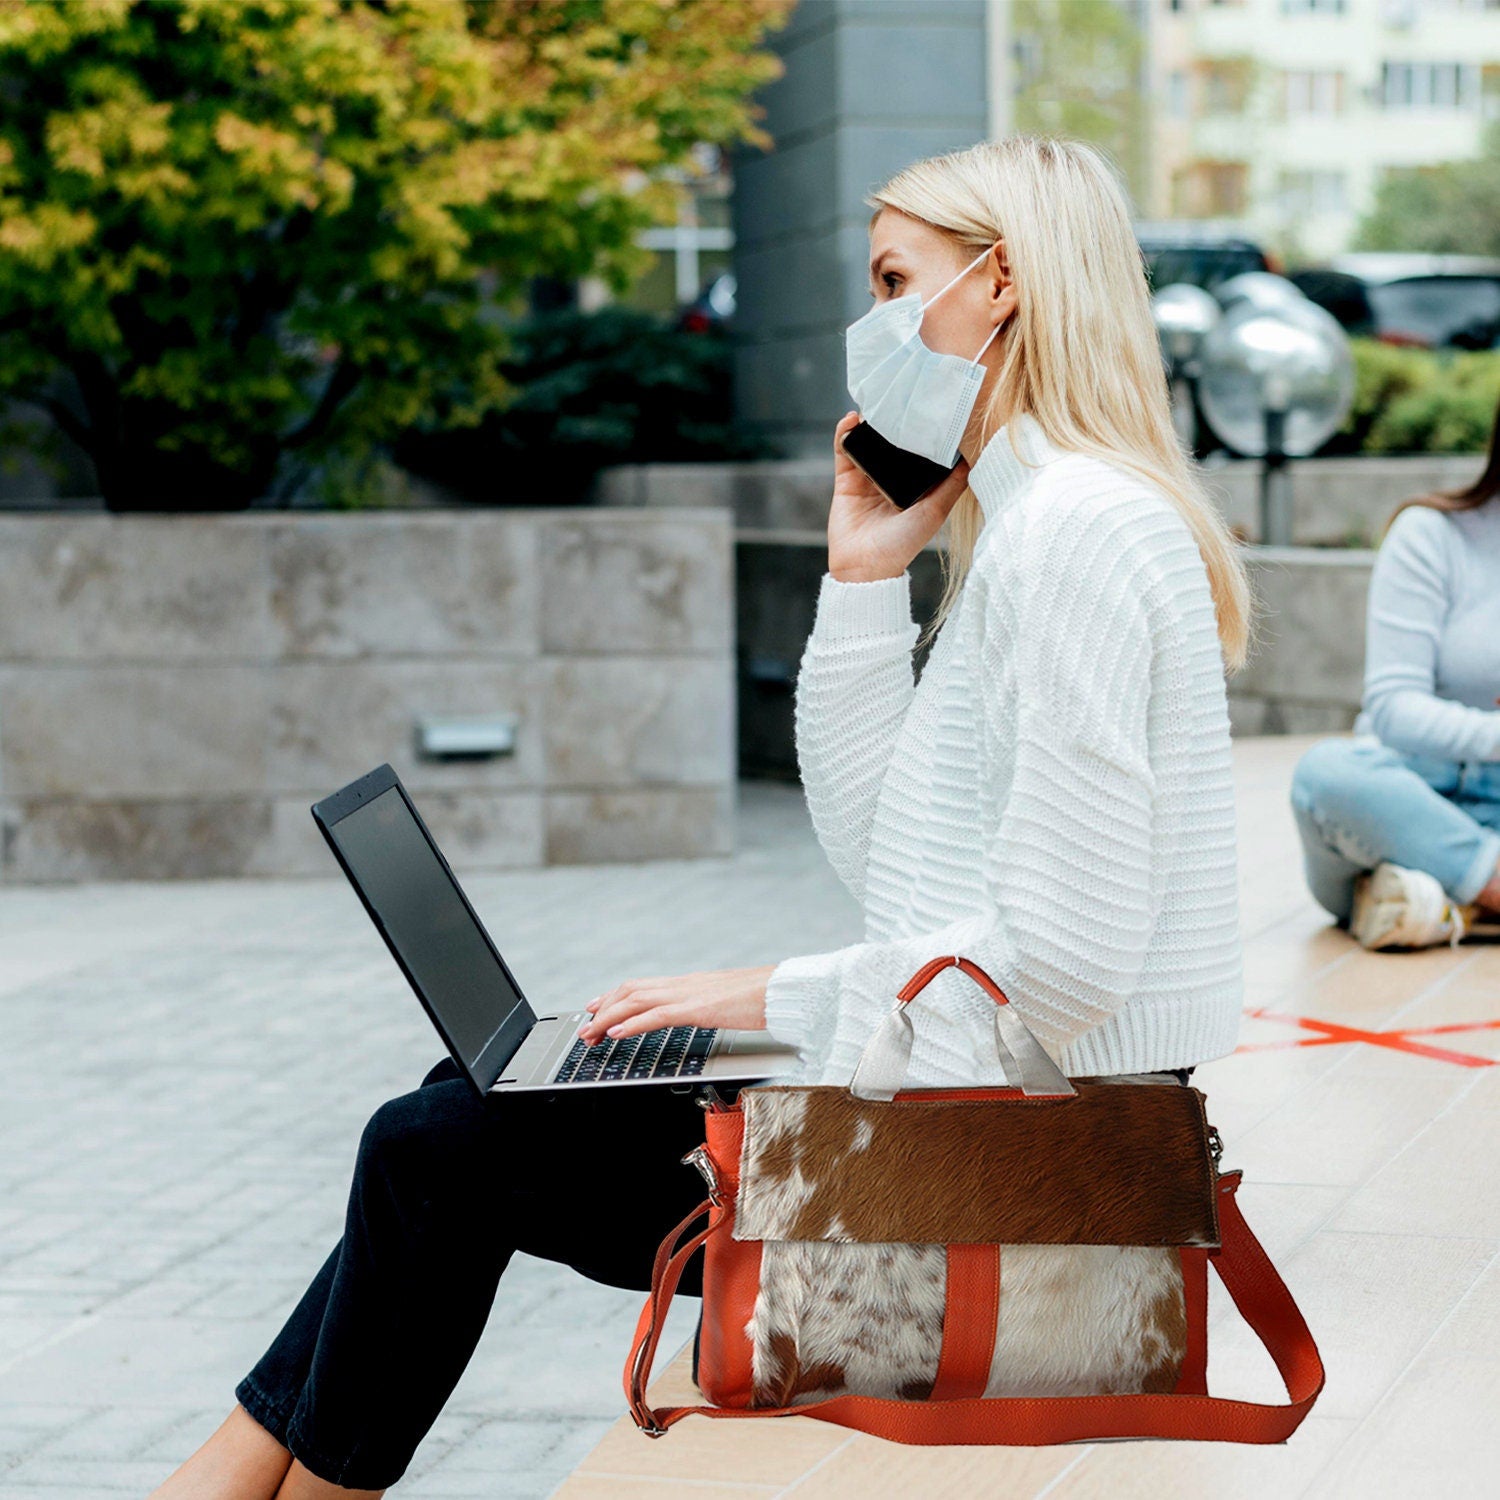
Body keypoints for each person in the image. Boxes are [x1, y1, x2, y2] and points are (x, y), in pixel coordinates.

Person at [149, 134, 1251, 1498]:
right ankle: (224, 1478)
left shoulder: (1077, 530)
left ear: (1002, 283)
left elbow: (1065, 965)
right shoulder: (1039, 522)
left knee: (436, 1149)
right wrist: (863, 576)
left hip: (1039, 1193)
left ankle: (246, 1488)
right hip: (991, 1124)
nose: (872, 324)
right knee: (466, 1100)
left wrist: (761, 995)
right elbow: (890, 859)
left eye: (894, 280)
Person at [1289, 394, 1500, 951]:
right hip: (1417, 794)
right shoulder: (1433, 534)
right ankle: (1475, 886)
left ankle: (1431, 898)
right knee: (1327, 774)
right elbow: (1393, 708)